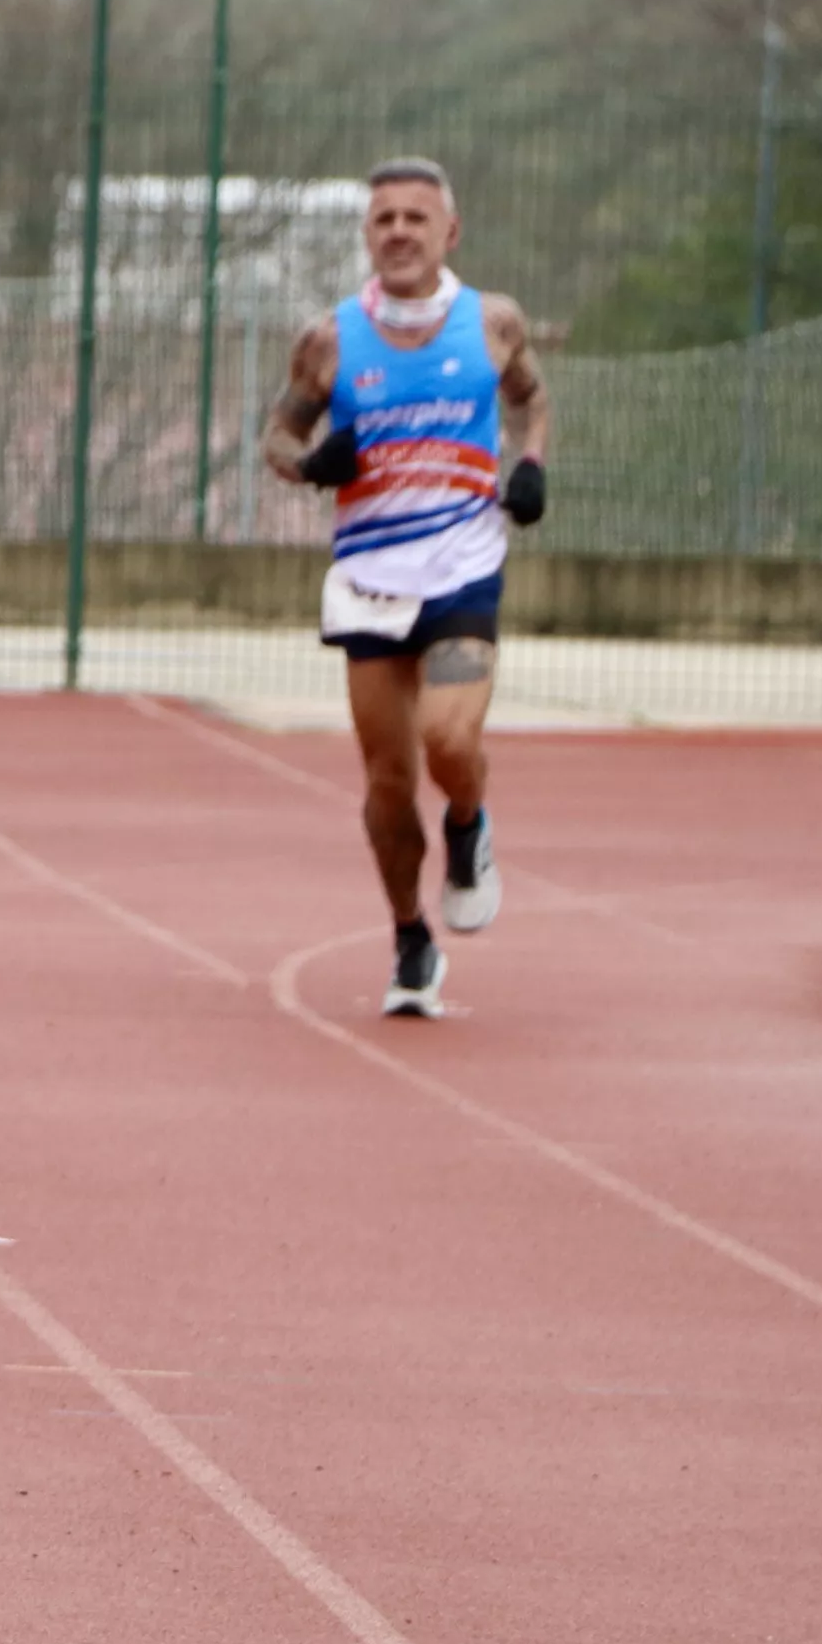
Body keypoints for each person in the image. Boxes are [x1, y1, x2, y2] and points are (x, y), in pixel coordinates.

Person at [265, 159, 551, 1017]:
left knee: (449, 740)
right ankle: (409, 937)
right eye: (383, 218)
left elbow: (532, 402)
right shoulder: (329, 341)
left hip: (462, 563)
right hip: (369, 581)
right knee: (388, 780)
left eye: (415, 219)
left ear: (448, 233)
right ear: (367, 234)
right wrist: (311, 464)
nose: (398, 232)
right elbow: (276, 439)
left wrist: (531, 462)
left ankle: (467, 825)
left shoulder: (494, 325)